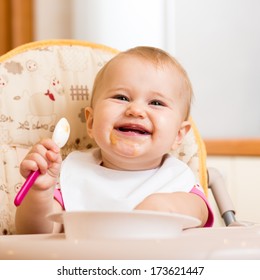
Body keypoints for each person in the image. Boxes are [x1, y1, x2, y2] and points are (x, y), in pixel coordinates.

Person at [15, 46, 214, 234]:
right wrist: (39, 192)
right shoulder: (74, 173)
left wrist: (165, 207)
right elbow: (34, 233)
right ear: (91, 122)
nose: (135, 110)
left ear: (179, 135)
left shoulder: (175, 178)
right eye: (121, 97)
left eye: (156, 102)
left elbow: (201, 213)